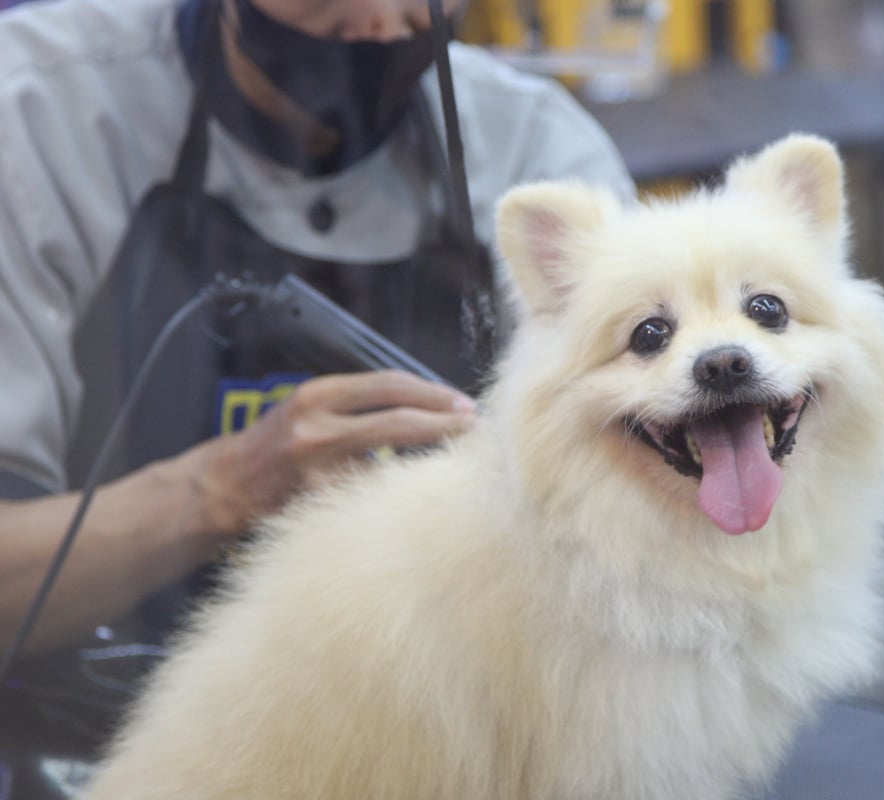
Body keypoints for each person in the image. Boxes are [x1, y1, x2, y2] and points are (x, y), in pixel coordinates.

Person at [0, 0, 633, 790]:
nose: (375, 29)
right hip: (94, 746)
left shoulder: (535, 154)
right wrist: (223, 491)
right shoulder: (33, 113)